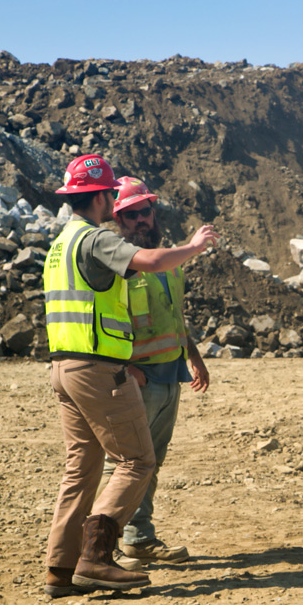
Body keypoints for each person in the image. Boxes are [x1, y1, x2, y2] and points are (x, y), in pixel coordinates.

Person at [43, 154, 219, 597]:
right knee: (138, 461)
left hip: (64, 367)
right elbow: (153, 260)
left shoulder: (60, 243)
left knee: (81, 470)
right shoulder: (95, 239)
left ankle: (59, 569)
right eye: (116, 201)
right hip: (99, 369)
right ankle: (96, 558)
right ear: (102, 197)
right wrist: (195, 248)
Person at [100, 176, 208, 567]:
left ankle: (139, 538)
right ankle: (102, 547)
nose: (141, 220)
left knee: (151, 462)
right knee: (125, 464)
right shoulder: (116, 263)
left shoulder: (168, 261)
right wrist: (126, 367)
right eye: (131, 215)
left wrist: (193, 355)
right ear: (118, 220)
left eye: (145, 211)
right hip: (137, 378)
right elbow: (103, 320)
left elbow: (173, 315)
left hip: (169, 375)